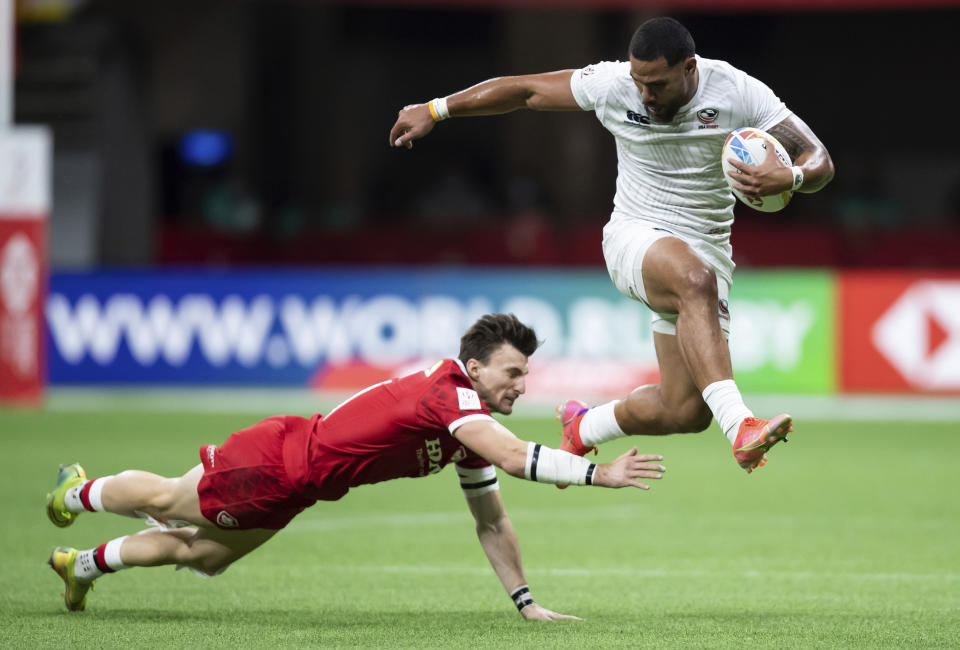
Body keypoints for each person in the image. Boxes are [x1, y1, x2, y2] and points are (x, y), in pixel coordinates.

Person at [388, 16, 835, 474]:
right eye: (639, 81)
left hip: (707, 251)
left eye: (657, 84)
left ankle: (585, 426)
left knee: (685, 411)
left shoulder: (737, 92)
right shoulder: (612, 84)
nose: (644, 94)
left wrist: (793, 176)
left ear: (689, 68)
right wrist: (437, 108)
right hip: (635, 236)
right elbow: (524, 90)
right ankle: (741, 425)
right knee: (692, 278)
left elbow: (819, 159)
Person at [45, 313, 666, 618]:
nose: (523, 384)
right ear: (475, 369)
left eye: (526, 374)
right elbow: (514, 455)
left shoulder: (464, 429)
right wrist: (599, 473)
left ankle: (83, 566)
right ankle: (75, 494)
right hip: (275, 465)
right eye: (514, 372)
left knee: (203, 555)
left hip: (300, 487)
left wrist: (526, 603)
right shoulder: (451, 397)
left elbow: (491, 521)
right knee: (164, 501)